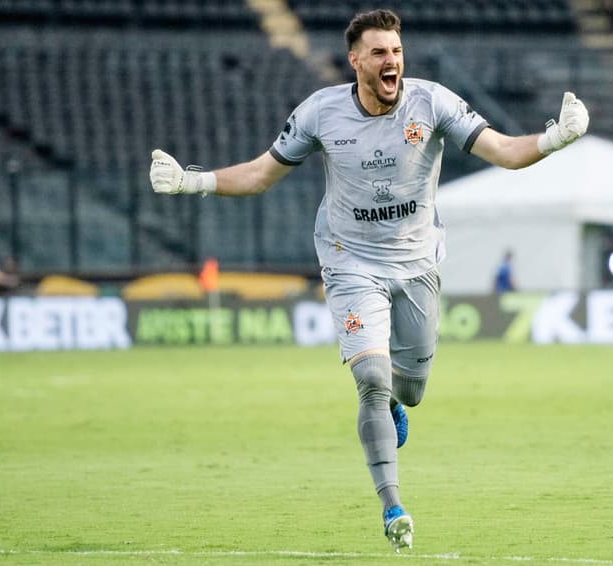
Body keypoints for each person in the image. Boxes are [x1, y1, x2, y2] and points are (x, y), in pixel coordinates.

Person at [149, 9, 588, 552]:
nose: (392, 62)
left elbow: (504, 151)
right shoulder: (320, 112)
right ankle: (393, 506)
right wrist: (193, 181)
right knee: (373, 378)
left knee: (410, 389)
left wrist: (555, 138)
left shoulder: (432, 102)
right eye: (380, 52)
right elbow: (263, 174)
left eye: (397, 52)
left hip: (417, 262)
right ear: (355, 60)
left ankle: (397, 403)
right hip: (348, 260)